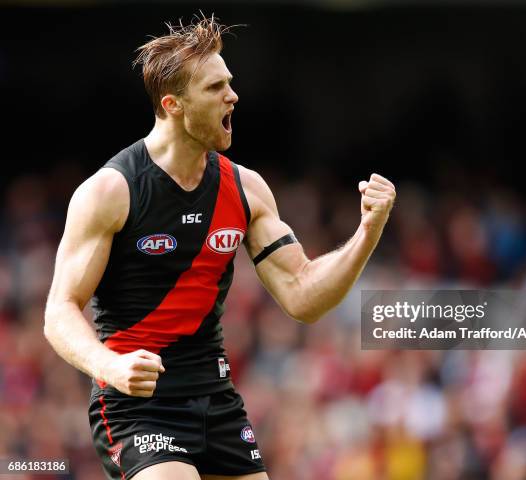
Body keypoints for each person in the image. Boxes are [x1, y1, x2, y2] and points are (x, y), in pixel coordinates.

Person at [44, 14, 395, 480]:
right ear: (172, 105)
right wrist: (107, 363)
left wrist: (367, 232)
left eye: (229, 82)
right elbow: (59, 311)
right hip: (140, 406)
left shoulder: (244, 188)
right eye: (214, 88)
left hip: (218, 402)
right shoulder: (111, 191)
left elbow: (304, 297)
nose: (232, 95)